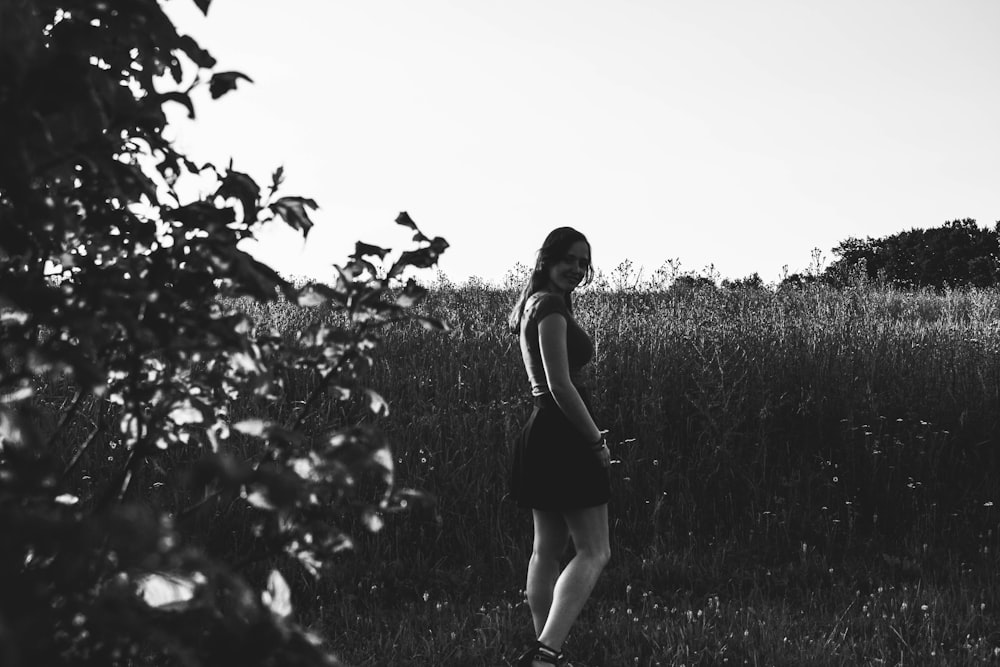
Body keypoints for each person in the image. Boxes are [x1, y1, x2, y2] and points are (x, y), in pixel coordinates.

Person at [507, 227, 612, 667]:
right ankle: (546, 653)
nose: (577, 268)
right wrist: (595, 441)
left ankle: (543, 649)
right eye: (569, 258)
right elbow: (560, 385)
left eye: (584, 262)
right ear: (547, 258)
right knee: (594, 550)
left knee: (547, 548)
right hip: (563, 431)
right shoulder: (549, 307)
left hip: (544, 431)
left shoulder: (535, 303)